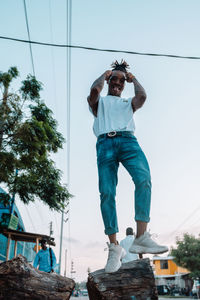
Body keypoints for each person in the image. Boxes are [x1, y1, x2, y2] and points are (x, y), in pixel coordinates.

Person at [87, 60, 168, 273]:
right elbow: (93, 91)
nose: (117, 83)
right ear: (108, 79)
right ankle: (114, 248)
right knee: (106, 193)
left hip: (128, 141)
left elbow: (142, 97)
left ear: (125, 84)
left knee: (144, 179)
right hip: (105, 144)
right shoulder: (100, 103)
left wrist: (133, 79)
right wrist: (105, 75)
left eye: (121, 81)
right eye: (114, 79)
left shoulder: (127, 104)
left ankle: (141, 237)